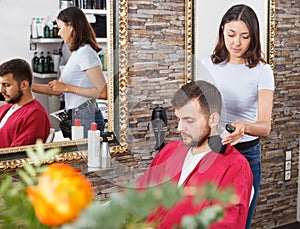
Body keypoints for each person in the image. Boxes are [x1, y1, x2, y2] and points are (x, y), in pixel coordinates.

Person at [136, 80, 253, 229]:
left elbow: (226, 224)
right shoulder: (170, 151)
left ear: (213, 119)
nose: (179, 128)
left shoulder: (235, 167)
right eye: (179, 119)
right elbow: (136, 193)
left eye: (189, 121)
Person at [201, 4, 275, 229]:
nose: (237, 42)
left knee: (240, 223)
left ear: (253, 37)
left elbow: (265, 127)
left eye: (245, 36)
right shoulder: (208, 65)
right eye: (231, 34)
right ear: (222, 31)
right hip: (212, 152)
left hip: (247, 155)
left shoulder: (262, 71)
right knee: (207, 221)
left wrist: (245, 126)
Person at [32, 6, 107, 138]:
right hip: (77, 117)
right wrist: (26, 86)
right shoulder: (77, 53)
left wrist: (67, 87)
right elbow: (56, 89)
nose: (59, 33)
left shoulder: (86, 53)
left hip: (86, 118)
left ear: (71, 26)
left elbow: (102, 92)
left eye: (60, 28)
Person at [0, 58, 50, 148]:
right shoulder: (6, 108)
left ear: (24, 85)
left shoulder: (35, 115)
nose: (1, 90)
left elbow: (17, 156)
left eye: (6, 85)